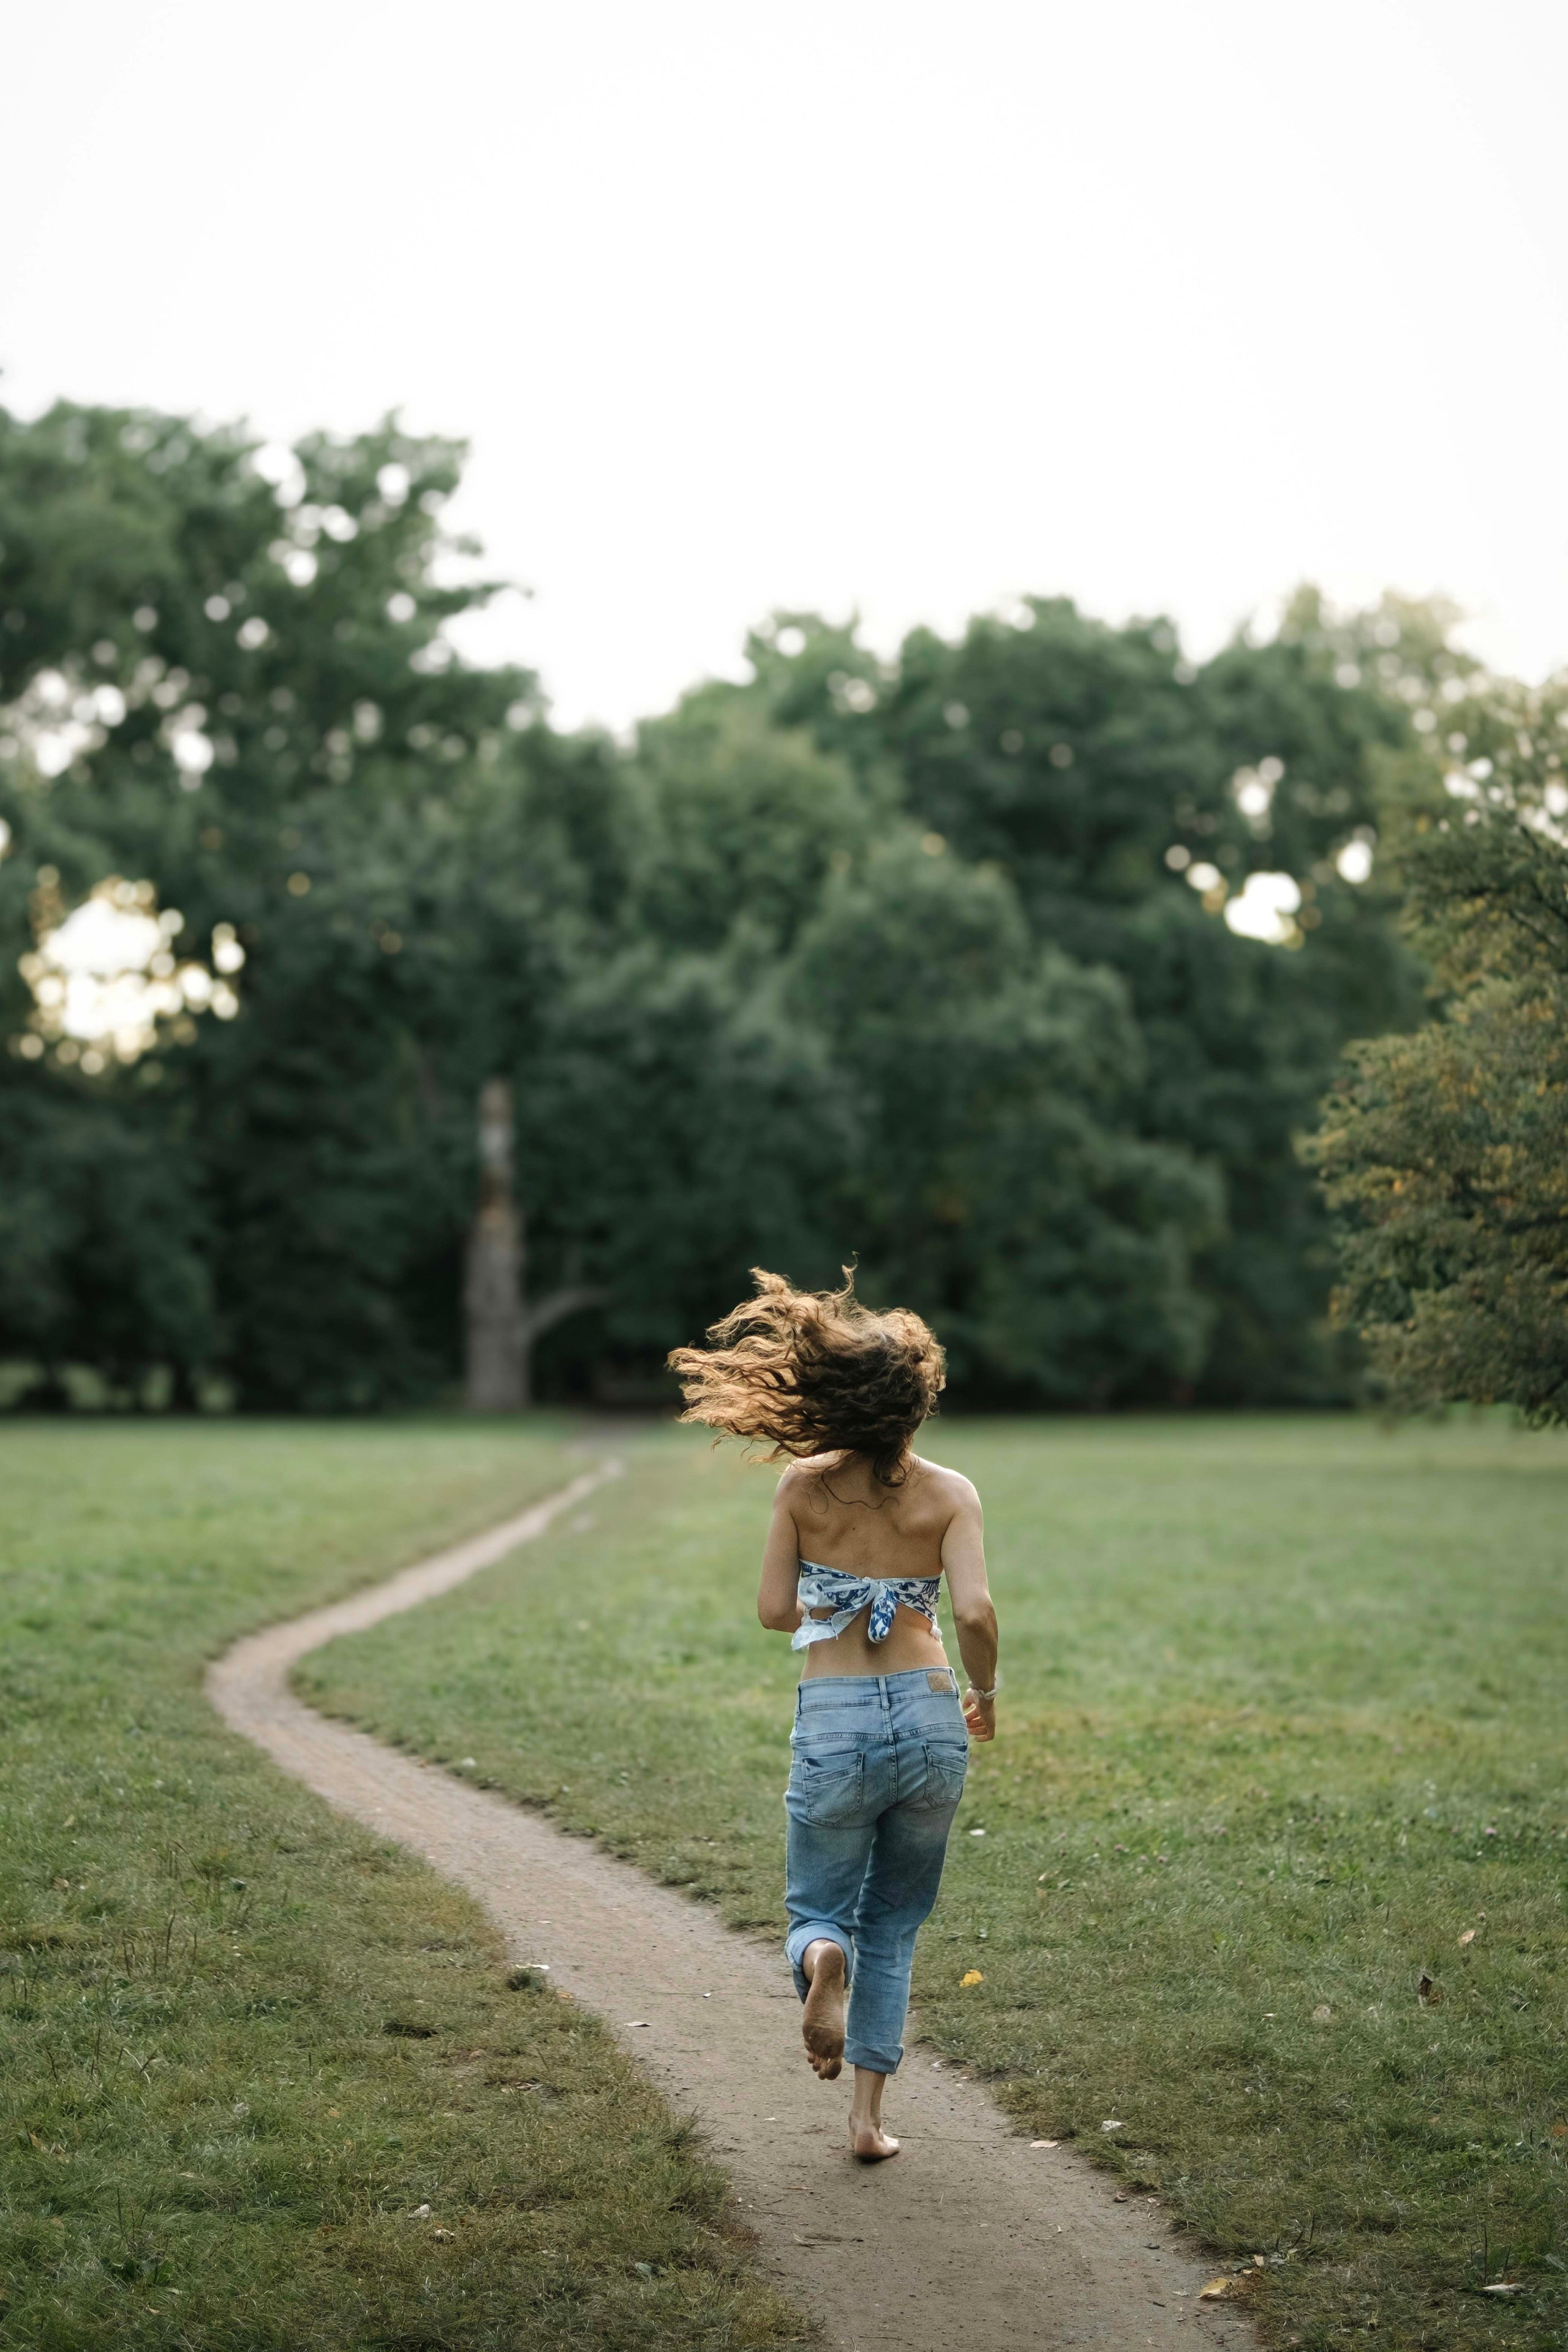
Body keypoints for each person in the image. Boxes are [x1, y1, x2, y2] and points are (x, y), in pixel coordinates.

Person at [669, 1268, 999, 2163]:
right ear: (917, 1403)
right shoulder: (951, 1492)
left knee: (821, 1907)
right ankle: (867, 2122)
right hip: (933, 1713)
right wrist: (988, 1694)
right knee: (893, 1922)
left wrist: (836, 1591)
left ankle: (821, 1964)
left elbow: (775, 1613)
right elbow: (973, 1614)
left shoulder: (803, 1490)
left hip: (836, 1716)